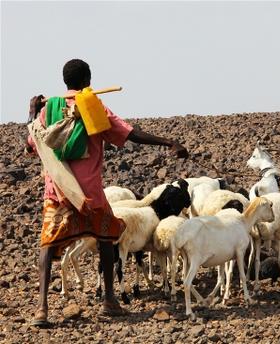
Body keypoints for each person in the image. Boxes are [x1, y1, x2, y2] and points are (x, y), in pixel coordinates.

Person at [26, 59, 188, 327]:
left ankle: (42, 309)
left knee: (48, 244)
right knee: (106, 237)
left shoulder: (49, 109)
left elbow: (31, 144)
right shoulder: (93, 106)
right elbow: (130, 133)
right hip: (90, 193)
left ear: (65, 81)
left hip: (59, 191)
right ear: (88, 80)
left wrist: (31, 111)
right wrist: (169, 142)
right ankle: (109, 301)